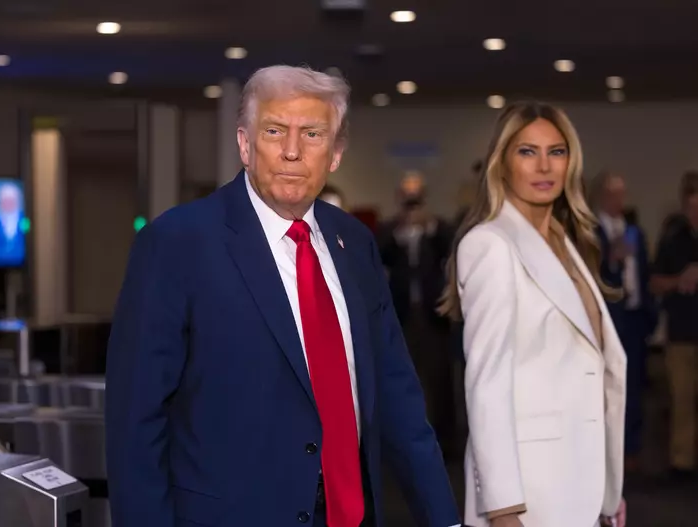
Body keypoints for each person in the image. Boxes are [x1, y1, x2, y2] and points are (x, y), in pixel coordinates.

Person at [105, 65, 459, 527]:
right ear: (245, 145)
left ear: (334, 154)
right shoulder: (177, 242)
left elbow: (396, 394)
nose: (292, 151)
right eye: (274, 131)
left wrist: (444, 518)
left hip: (349, 513)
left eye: (312, 134)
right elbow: (136, 419)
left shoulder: (354, 244)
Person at [439, 102, 627, 527]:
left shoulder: (567, 243)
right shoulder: (490, 244)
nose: (544, 166)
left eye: (556, 152)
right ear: (502, 164)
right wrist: (504, 511)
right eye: (527, 152)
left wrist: (609, 491)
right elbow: (486, 386)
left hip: (584, 486)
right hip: (530, 494)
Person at [375, 172, 457, 456]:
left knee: (440, 382)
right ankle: (400, 446)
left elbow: (451, 250)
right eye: (408, 196)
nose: (412, 203)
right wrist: (401, 231)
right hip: (401, 317)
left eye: (417, 196)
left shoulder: (439, 229)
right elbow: (379, 256)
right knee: (401, 383)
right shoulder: (388, 230)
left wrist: (429, 226)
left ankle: (446, 445)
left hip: (433, 318)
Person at [591, 170, 657, 472]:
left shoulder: (634, 231)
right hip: (608, 318)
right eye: (613, 194)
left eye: (622, 194)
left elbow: (645, 272)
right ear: (602, 196)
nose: (619, 200)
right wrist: (610, 259)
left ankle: (630, 449)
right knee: (606, 386)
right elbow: (589, 275)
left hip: (634, 317)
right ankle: (604, 450)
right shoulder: (591, 232)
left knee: (634, 387)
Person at [651, 170, 698, 480]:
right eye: (692, 207)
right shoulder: (672, 240)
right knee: (681, 400)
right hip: (681, 333)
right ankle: (682, 463)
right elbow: (654, 283)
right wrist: (679, 280)